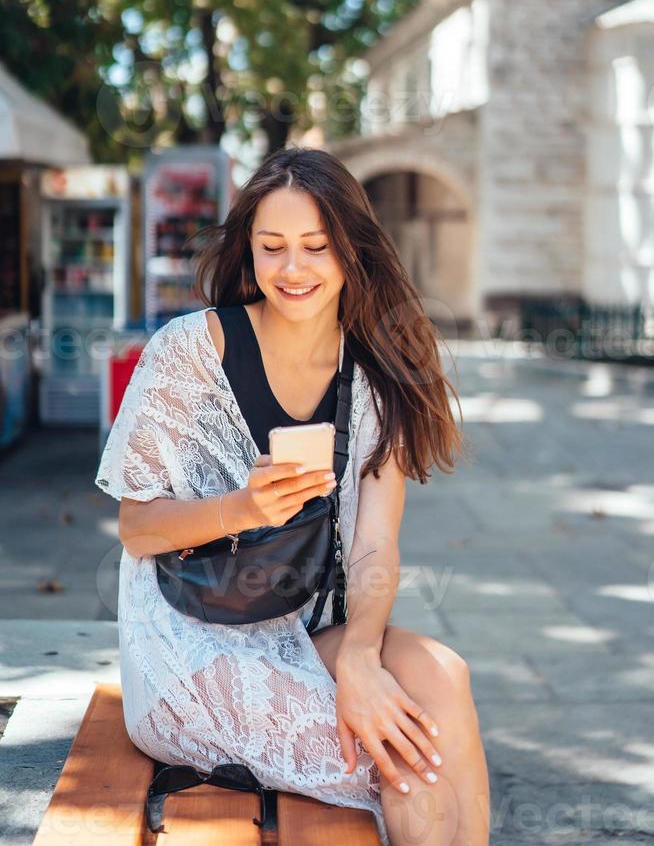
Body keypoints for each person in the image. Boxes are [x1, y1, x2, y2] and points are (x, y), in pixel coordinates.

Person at [95, 146, 490, 846]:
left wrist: (363, 657)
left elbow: (376, 544)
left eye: (316, 246)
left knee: (442, 674)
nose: (293, 268)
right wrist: (242, 509)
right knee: (409, 758)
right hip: (190, 645)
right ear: (248, 251)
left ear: (352, 252)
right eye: (272, 247)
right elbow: (135, 527)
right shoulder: (188, 352)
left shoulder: (375, 375)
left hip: (304, 631)